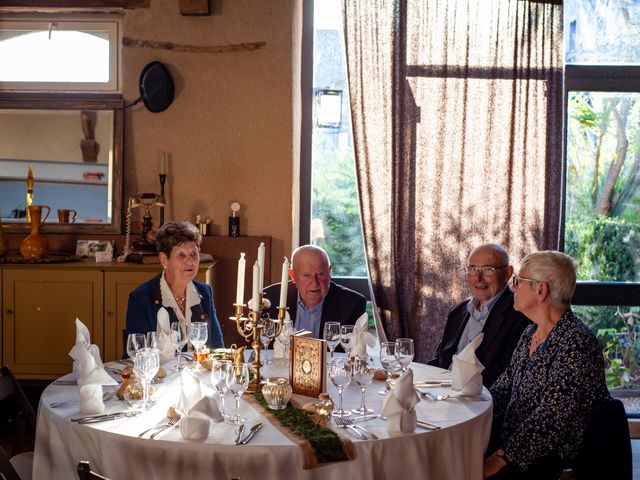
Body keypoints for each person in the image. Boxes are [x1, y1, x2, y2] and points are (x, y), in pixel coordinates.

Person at [483, 251, 609, 479]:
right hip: (513, 446)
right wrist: (470, 406)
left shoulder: (576, 343)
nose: (512, 288)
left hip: (549, 463)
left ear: (541, 290)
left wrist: (499, 459)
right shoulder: (532, 331)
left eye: (519, 281)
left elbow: (550, 420)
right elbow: (503, 388)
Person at [429, 244, 531, 388]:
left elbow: (506, 378)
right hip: (441, 393)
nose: (478, 278)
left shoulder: (519, 315)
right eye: (472, 269)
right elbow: (440, 360)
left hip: (479, 400)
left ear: (508, 273)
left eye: (487, 270)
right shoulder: (457, 312)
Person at [125, 221, 224, 348]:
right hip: (159, 368)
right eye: (181, 255)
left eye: (194, 254)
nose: (190, 262)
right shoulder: (141, 298)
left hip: (198, 368)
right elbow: (137, 353)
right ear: (164, 260)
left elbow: (217, 347)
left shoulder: (205, 292)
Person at [263, 245, 366, 339]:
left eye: (320, 274)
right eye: (306, 275)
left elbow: (352, 352)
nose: (315, 283)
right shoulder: (270, 299)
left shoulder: (352, 304)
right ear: (293, 275)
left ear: (329, 272)